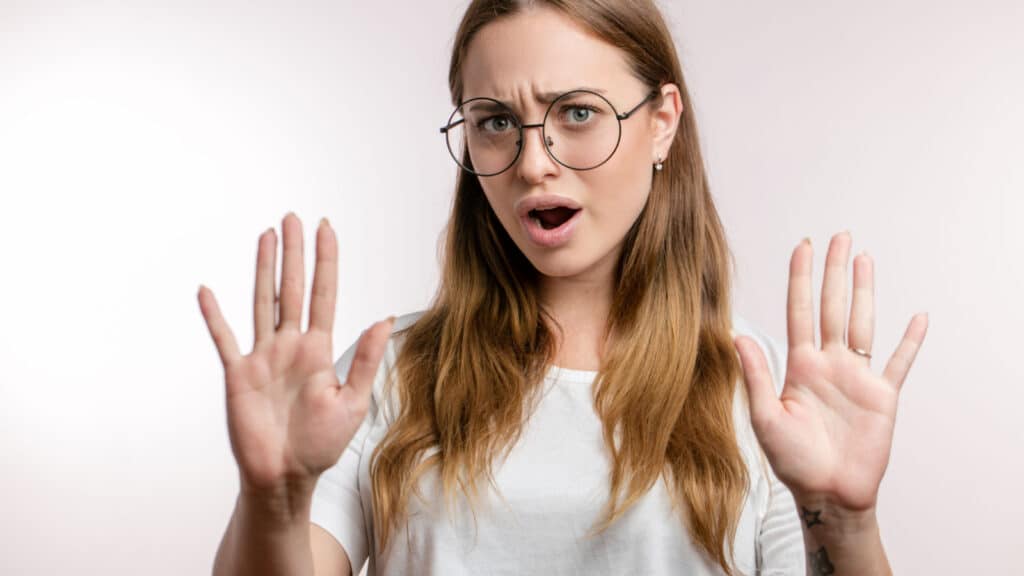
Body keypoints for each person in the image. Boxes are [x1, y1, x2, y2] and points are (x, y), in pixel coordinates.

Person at [198, 1, 929, 574]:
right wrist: (275, 500)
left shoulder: (765, 396)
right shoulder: (389, 374)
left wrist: (843, 517)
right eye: (495, 122)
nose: (532, 162)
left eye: (577, 113)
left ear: (663, 124)